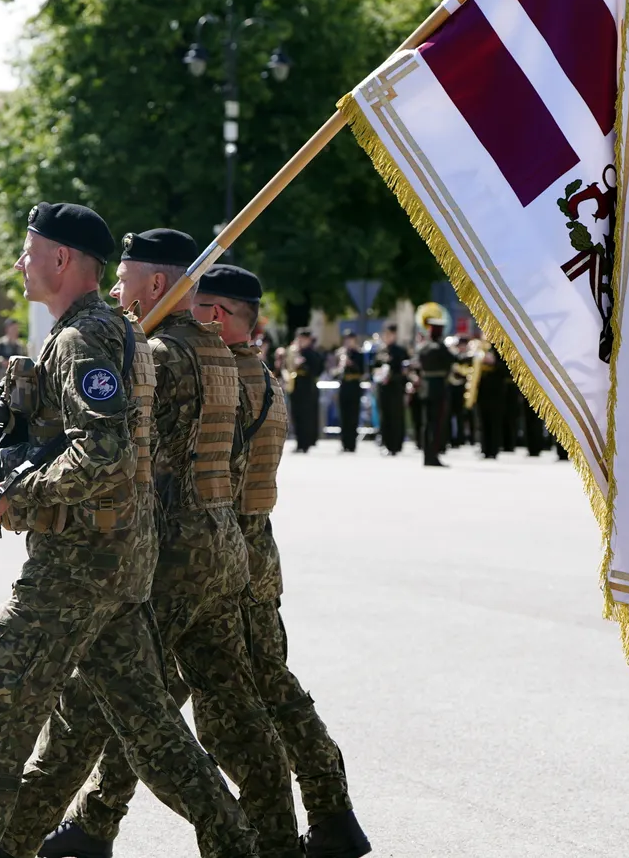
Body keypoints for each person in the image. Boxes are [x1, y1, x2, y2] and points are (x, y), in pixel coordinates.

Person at [0, 203, 260, 858]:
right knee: (155, 736)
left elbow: (101, 456)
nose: (20, 262)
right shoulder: (114, 331)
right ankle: (238, 847)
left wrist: (13, 496)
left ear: (63, 259)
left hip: (76, 570)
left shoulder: (82, 339)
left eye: (29, 250)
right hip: (121, 564)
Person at [0, 227, 290, 858]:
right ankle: (277, 836)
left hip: (173, 550)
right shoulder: (219, 353)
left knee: (105, 711)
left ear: (156, 283)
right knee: (230, 703)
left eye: (125, 277)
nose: (117, 288)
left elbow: (119, 456)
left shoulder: (157, 356)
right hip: (224, 544)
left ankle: (19, 838)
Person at [194, 264, 371, 857]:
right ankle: (331, 810)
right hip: (255, 547)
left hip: (228, 553)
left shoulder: (231, 380)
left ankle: (291, 827)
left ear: (217, 316)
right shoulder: (260, 373)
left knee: (225, 706)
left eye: (194, 308)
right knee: (273, 686)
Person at [415, 318, 457, 467]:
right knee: (437, 424)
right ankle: (433, 456)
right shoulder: (440, 347)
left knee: (426, 424)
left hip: (425, 387)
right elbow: (453, 359)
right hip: (438, 387)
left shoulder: (422, 347)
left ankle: (426, 456)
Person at [286, 328, 324, 452]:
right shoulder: (296, 352)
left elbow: (317, 370)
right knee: (296, 414)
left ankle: (305, 443)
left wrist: (303, 365)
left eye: (303, 339)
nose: (300, 341)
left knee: (306, 416)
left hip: (307, 387)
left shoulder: (312, 353)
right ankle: (299, 442)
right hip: (296, 385)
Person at [374, 324, 409, 455]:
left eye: (389, 334)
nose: (387, 337)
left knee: (396, 417)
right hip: (383, 388)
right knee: (384, 416)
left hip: (396, 388)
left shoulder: (400, 351)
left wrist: (392, 377)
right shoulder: (381, 351)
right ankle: (386, 443)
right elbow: (375, 367)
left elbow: (405, 371)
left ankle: (396, 445)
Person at [335, 332, 365, 452]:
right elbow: (336, 372)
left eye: (350, 340)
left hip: (354, 386)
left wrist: (351, 364)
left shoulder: (359, 354)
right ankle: (344, 443)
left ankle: (352, 444)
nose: (348, 342)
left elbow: (362, 371)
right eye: (346, 340)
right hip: (344, 386)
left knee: (353, 415)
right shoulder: (341, 353)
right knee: (343, 416)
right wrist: (340, 366)